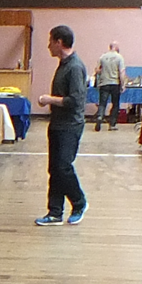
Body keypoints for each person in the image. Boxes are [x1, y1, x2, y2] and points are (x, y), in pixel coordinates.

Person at [35, 25, 88, 226]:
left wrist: (49, 99)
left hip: (70, 125)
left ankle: (79, 202)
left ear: (59, 42)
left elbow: (75, 100)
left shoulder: (75, 67)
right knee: (55, 169)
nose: (48, 46)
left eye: (51, 41)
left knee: (63, 167)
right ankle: (55, 212)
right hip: (57, 124)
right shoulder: (64, 64)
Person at [95, 41, 126, 130]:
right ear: (116, 47)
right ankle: (112, 124)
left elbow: (97, 70)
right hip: (115, 83)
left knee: (102, 103)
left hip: (104, 83)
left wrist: (103, 72)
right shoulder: (119, 57)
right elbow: (122, 72)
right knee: (115, 104)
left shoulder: (102, 57)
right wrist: (123, 84)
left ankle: (100, 116)